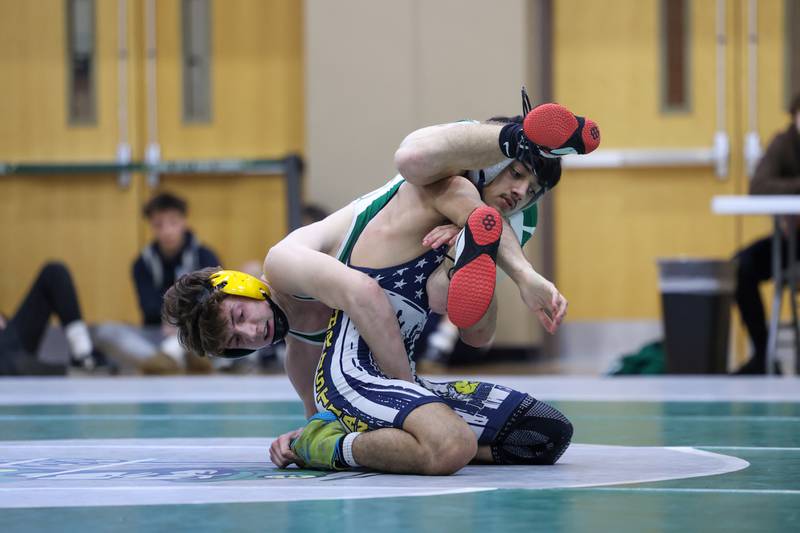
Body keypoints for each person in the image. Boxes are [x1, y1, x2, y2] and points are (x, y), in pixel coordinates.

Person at [164, 95, 597, 474]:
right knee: (450, 442)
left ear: (240, 285)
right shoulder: (299, 357)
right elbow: (324, 408)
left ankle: (513, 142)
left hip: (396, 330)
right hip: (372, 366)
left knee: (544, 433)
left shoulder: (283, 263)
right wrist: (315, 437)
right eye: (239, 342)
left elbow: (366, 295)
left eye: (240, 317)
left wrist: (519, 272)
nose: (252, 332)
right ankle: (392, 444)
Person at [94, 192, 221, 374]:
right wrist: (169, 321)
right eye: (158, 225)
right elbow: (149, 307)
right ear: (151, 227)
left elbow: (215, 300)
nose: (167, 230)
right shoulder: (142, 263)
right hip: (158, 334)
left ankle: (169, 359)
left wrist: (182, 322)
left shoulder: (205, 256)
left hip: (198, 331)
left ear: (184, 222)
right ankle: (169, 359)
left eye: (173, 222)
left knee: (218, 331)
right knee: (105, 332)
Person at [733, 93, 800, 375]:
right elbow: (759, 185)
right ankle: (763, 354)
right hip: (792, 241)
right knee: (741, 266)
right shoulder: (784, 144)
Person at [0, 262, 95, 375]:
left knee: (54, 273)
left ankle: (84, 356)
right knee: (10, 362)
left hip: (9, 336)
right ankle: (70, 373)